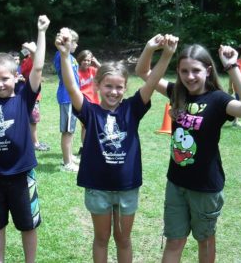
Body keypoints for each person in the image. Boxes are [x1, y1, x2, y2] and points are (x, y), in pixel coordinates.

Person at [55, 30, 178, 262]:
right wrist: (63, 56)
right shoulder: (90, 112)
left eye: (119, 87)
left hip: (126, 187)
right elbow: (72, 88)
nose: (114, 92)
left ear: (125, 88)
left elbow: (151, 81)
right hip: (98, 187)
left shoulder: (132, 108)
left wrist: (165, 55)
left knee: (123, 240)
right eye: (108, 86)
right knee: (101, 239)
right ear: (97, 85)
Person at [135, 42, 241, 262]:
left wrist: (232, 67)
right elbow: (143, 72)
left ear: (208, 70)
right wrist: (151, 48)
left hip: (206, 187)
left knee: (206, 241)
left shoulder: (218, 99)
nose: (190, 76)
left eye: (196, 70)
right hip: (176, 184)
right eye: (184, 71)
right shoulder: (176, 92)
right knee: (174, 241)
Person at [0, 15, 50, 263]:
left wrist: (42, 33)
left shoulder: (24, 98)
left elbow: (37, 68)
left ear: (16, 77)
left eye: (5, 78)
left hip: (22, 175)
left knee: (28, 225)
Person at [53, 28, 80, 172]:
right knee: (67, 131)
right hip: (67, 97)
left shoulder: (71, 57)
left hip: (73, 97)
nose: (76, 45)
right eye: (75, 42)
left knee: (71, 129)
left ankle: (70, 155)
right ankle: (67, 163)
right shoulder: (61, 56)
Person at [19, 41, 50, 151]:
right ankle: (35, 143)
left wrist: (26, 47)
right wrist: (28, 47)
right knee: (33, 121)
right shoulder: (28, 60)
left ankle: (31, 142)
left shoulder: (25, 60)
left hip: (30, 94)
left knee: (30, 120)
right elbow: (35, 55)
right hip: (32, 96)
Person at [76, 50, 101, 154]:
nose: (86, 62)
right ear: (80, 60)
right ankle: (85, 147)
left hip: (95, 101)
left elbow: (105, 71)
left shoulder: (92, 70)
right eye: (84, 60)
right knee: (86, 126)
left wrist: (96, 62)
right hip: (84, 102)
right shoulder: (76, 72)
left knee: (96, 125)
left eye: (89, 60)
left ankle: (93, 146)